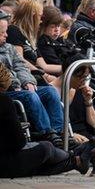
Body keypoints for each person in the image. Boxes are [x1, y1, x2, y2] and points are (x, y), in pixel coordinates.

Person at [0, 63, 93, 178]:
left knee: (44, 154)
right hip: (5, 161)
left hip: (6, 159)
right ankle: (73, 156)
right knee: (46, 148)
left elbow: (21, 66)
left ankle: (76, 159)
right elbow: (18, 142)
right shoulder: (4, 101)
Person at [1, 14, 64, 145]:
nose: (6, 35)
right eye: (2, 33)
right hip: (7, 91)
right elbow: (4, 75)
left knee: (50, 91)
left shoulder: (8, 48)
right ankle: (46, 133)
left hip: (20, 86)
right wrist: (17, 84)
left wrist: (27, 81)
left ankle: (59, 132)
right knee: (31, 96)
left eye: (6, 32)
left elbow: (21, 66)